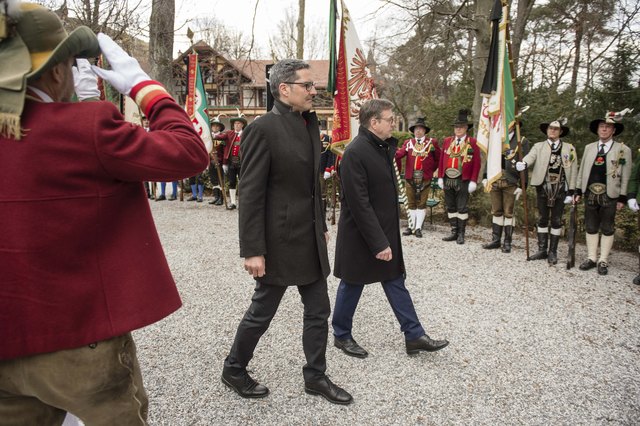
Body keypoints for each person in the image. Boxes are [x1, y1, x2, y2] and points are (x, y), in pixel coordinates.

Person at [0, 4, 209, 424]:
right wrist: (144, 87)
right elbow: (190, 152)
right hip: (80, 342)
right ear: (58, 72)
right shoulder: (85, 126)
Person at [221, 59, 352, 405]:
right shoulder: (262, 129)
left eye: (313, 86)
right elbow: (250, 194)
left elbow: (311, 186)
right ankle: (234, 368)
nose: (313, 91)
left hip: (309, 237)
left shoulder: (308, 123)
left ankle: (316, 376)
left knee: (318, 310)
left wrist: (320, 225)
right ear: (284, 89)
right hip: (278, 240)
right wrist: (252, 249)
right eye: (307, 85)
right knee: (262, 312)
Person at [332, 98, 449, 360]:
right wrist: (378, 242)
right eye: (389, 119)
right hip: (362, 235)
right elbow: (359, 204)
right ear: (374, 123)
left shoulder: (378, 147)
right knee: (352, 283)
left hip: (383, 230)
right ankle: (341, 334)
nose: (393, 123)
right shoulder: (355, 153)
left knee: (395, 281)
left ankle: (414, 334)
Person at [574, 110, 633, 275]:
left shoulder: (623, 150)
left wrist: (623, 196)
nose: (604, 130)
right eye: (601, 127)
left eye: (608, 127)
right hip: (590, 193)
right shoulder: (589, 148)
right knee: (591, 226)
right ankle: (592, 258)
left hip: (611, 194)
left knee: (607, 227)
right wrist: (578, 189)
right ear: (597, 129)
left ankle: (603, 260)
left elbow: (626, 174)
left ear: (613, 130)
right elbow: (582, 170)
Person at [516, 118, 577, 264]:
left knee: (556, 220)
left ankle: (553, 251)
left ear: (561, 132)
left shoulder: (569, 148)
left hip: (561, 188)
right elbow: (530, 157)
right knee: (542, 218)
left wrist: (572, 191)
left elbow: (573, 170)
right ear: (547, 130)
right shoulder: (539, 146)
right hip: (542, 186)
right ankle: (542, 249)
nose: (552, 131)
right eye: (550, 128)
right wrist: (523, 163)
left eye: (556, 129)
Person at [438, 109, 481, 244]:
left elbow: (477, 163)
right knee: (450, 206)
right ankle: (454, 231)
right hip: (447, 178)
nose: (458, 129)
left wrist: (473, 180)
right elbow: (441, 160)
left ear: (466, 128)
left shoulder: (472, 142)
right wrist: (440, 176)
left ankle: (461, 234)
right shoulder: (447, 141)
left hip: (463, 179)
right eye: (456, 127)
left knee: (461, 207)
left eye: (461, 127)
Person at [482, 129, 529, 253]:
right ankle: (495, 240)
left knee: (509, 212)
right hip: (495, 180)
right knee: (496, 211)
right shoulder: (496, 139)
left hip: (511, 181)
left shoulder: (521, 141)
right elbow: (490, 158)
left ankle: (507, 242)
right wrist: (485, 176)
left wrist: (523, 184)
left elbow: (525, 163)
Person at [395, 117, 440, 238]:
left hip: (425, 178)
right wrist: (390, 150)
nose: (418, 131)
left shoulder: (432, 143)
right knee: (411, 203)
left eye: (421, 129)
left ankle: (418, 228)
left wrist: (431, 170)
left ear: (425, 131)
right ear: (413, 131)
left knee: (422, 203)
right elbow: (399, 154)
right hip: (410, 178)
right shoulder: (408, 143)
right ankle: (411, 226)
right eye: (416, 129)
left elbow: (438, 159)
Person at [213, 115, 247, 209]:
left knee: (242, 182)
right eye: (235, 123)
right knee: (232, 182)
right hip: (231, 162)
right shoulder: (229, 133)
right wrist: (212, 135)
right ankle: (233, 203)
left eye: (238, 123)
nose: (236, 125)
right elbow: (219, 137)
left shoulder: (246, 134)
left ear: (242, 125)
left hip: (243, 163)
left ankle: (242, 202)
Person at [208, 117, 226, 205]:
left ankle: (221, 199)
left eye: (216, 126)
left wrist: (222, 162)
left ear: (219, 127)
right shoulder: (208, 137)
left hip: (219, 162)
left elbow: (225, 151)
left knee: (220, 181)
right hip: (210, 162)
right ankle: (216, 197)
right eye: (213, 126)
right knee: (214, 180)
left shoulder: (222, 137)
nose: (215, 127)